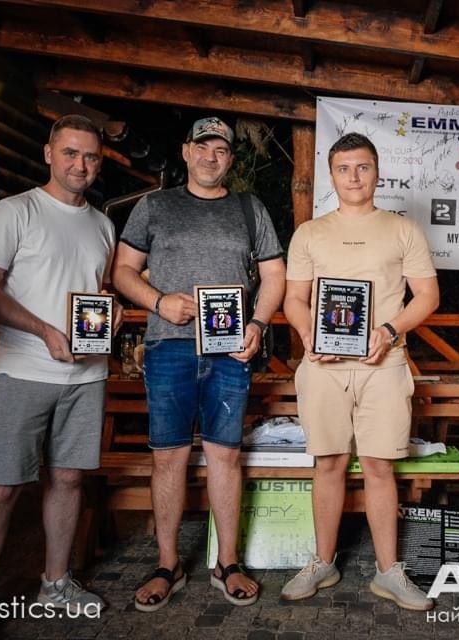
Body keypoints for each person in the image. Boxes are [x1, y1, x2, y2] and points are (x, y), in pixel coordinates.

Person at [112, 116, 285, 611]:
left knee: (225, 456)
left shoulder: (249, 209)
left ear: (230, 158)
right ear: (186, 151)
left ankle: (226, 563)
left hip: (229, 351)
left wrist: (258, 324)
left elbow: (275, 275)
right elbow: (122, 271)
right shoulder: (154, 206)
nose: (212, 157)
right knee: (168, 457)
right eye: (203, 147)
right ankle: (168, 564)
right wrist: (158, 301)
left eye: (221, 150)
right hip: (168, 347)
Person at [0, 115, 117, 640]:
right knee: (0, 490)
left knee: (68, 481)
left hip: (86, 377)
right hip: (21, 371)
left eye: (90, 156)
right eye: (70, 153)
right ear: (49, 154)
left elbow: (93, 291)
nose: (80, 165)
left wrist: (110, 311)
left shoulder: (102, 225)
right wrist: (43, 330)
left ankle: (55, 584)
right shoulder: (17, 210)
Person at [281, 132, 439, 611]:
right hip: (324, 366)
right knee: (327, 462)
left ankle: (389, 572)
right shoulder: (310, 232)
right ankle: (322, 562)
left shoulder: (403, 229)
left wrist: (389, 330)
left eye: (363, 167)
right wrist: (309, 334)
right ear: (331, 175)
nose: (354, 177)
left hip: (384, 363)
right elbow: (294, 298)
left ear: (377, 172)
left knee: (379, 465)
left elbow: (428, 296)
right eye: (344, 168)